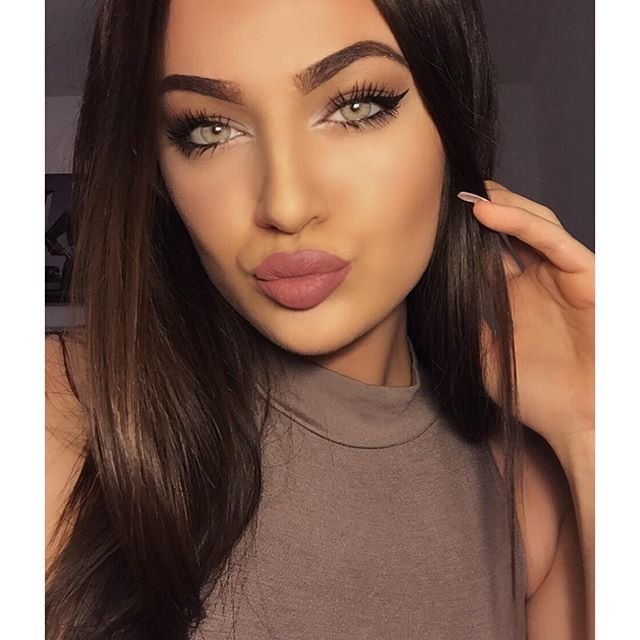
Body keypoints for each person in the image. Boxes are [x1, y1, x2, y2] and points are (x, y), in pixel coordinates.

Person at [45, 1, 595, 639]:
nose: (285, 205)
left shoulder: (533, 495)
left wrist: (591, 423)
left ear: (451, 126)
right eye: (210, 129)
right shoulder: (58, 415)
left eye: (356, 107)